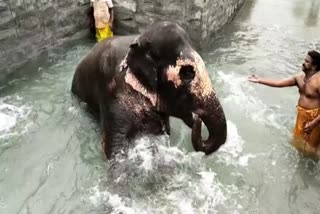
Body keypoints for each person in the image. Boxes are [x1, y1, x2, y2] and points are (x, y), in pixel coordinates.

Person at [248, 50, 320, 158]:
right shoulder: (299, 78)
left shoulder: (318, 82)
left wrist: (313, 123)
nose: (303, 63)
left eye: (307, 61)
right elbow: (279, 83)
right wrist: (260, 80)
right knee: (297, 144)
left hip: (316, 119)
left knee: (312, 151)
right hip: (302, 116)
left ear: (314, 66)